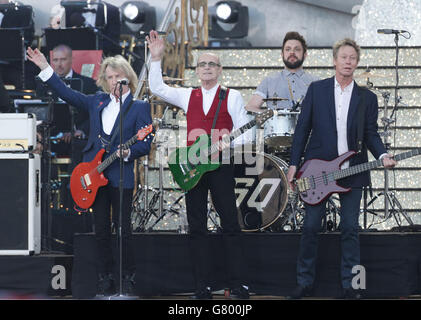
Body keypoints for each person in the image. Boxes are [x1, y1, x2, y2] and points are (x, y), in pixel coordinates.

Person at [27, 48, 153, 296]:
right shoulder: (97, 101)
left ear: (127, 77)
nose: (114, 81)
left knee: (123, 230)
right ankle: (104, 277)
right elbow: (67, 93)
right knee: (101, 229)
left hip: (120, 174)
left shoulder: (139, 107)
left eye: (118, 76)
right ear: (104, 80)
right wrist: (45, 68)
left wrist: (129, 152)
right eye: (109, 77)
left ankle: (128, 278)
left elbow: (145, 143)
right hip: (94, 174)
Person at [286, 38, 397, 299]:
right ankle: (305, 283)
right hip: (316, 170)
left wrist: (382, 154)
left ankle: (353, 286)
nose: (348, 62)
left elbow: (370, 133)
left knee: (350, 229)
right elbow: (302, 129)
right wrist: (294, 164)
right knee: (311, 227)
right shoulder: (317, 90)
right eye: (344, 57)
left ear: (356, 63)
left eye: (353, 58)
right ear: (334, 60)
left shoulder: (367, 98)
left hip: (353, 170)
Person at [147, 30, 250, 300]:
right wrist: (155, 58)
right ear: (197, 69)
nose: (206, 68)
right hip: (194, 168)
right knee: (197, 227)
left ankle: (237, 285)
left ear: (220, 69)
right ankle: (202, 286)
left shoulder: (232, 96)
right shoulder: (187, 95)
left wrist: (230, 143)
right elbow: (157, 88)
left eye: (212, 64)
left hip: (223, 166)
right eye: (202, 64)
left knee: (230, 224)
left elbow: (248, 132)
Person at [246, 31, 318, 112]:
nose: (292, 52)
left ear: (305, 55)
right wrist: (271, 116)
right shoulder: (269, 81)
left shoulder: (316, 83)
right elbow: (250, 107)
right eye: (288, 49)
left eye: (297, 49)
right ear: (282, 54)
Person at [50, 0, 121, 56]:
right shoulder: (69, 9)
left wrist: (90, 50)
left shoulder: (111, 11)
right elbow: (60, 36)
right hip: (72, 57)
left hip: (100, 57)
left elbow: (112, 41)